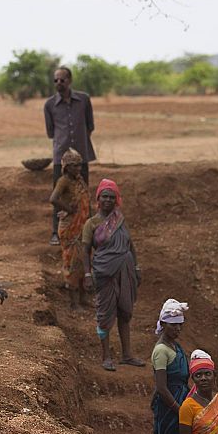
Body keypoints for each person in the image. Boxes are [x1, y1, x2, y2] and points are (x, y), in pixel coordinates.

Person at [81, 178, 144, 372]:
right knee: (105, 314)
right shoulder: (91, 223)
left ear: (116, 199)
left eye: (111, 197)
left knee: (125, 312)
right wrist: (87, 274)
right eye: (104, 197)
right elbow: (85, 250)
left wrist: (137, 267)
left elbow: (129, 245)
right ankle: (106, 356)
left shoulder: (120, 220)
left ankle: (127, 355)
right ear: (98, 199)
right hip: (104, 272)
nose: (108, 200)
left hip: (125, 270)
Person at [44, 66, 95, 245]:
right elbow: (50, 132)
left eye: (62, 80)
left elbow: (90, 126)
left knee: (83, 193)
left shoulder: (83, 100)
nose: (59, 83)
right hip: (61, 158)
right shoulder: (50, 105)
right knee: (59, 194)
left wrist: (78, 147)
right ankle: (56, 232)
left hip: (82, 156)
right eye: (55, 80)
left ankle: (86, 229)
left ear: (70, 80)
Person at [151, 299, 192, 434]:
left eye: (179, 324)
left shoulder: (174, 346)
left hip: (181, 403)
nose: (177, 328)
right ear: (163, 324)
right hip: (170, 409)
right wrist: (179, 409)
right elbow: (161, 387)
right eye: (173, 324)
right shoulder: (161, 351)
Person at [49, 149, 91, 310]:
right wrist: (69, 209)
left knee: (84, 260)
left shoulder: (79, 180)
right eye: (74, 166)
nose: (78, 169)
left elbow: (86, 202)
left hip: (82, 226)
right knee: (72, 262)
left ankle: (83, 298)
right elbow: (53, 199)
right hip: (70, 227)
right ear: (66, 167)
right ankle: (73, 303)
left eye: (79, 165)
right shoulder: (64, 181)